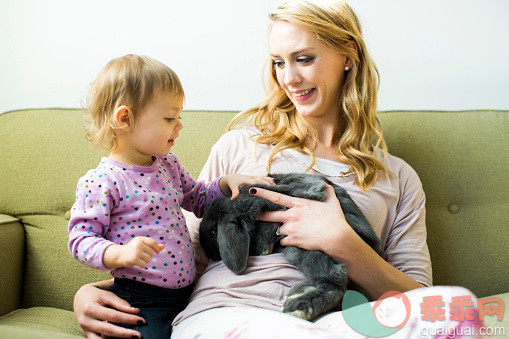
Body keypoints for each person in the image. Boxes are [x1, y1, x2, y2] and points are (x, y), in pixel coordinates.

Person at [73, 2, 483, 338]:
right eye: (278, 63)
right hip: (228, 316)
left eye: (304, 59)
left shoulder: (397, 179)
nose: (289, 78)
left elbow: (419, 299)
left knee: (457, 312)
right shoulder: (240, 146)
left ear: (348, 55)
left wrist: (344, 243)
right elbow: (176, 251)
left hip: (328, 321)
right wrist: (94, 292)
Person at [68, 54, 273, 339]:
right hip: (142, 301)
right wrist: (118, 254)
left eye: (179, 116)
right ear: (125, 118)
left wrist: (226, 183)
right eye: (169, 118)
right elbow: (80, 239)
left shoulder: (167, 164)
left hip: (186, 296)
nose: (179, 125)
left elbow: (199, 199)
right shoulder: (102, 181)